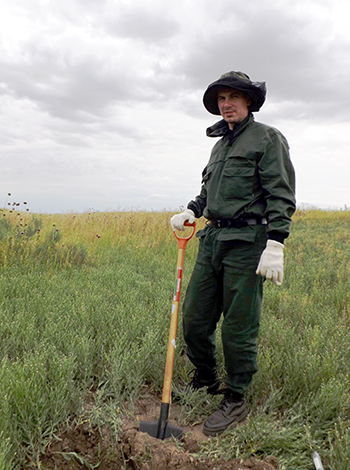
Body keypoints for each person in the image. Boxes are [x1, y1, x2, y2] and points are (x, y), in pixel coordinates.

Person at [170, 71, 296, 437]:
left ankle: (236, 396)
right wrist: (193, 209)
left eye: (234, 97)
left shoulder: (267, 138)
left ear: (249, 101)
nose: (226, 104)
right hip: (213, 240)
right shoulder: (219, 145)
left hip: (248, 242)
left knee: (239, 326)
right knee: (194, 317)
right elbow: (209, 191)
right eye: (222, 98)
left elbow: (280, 192)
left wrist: (276, 242)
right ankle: (205, 379)